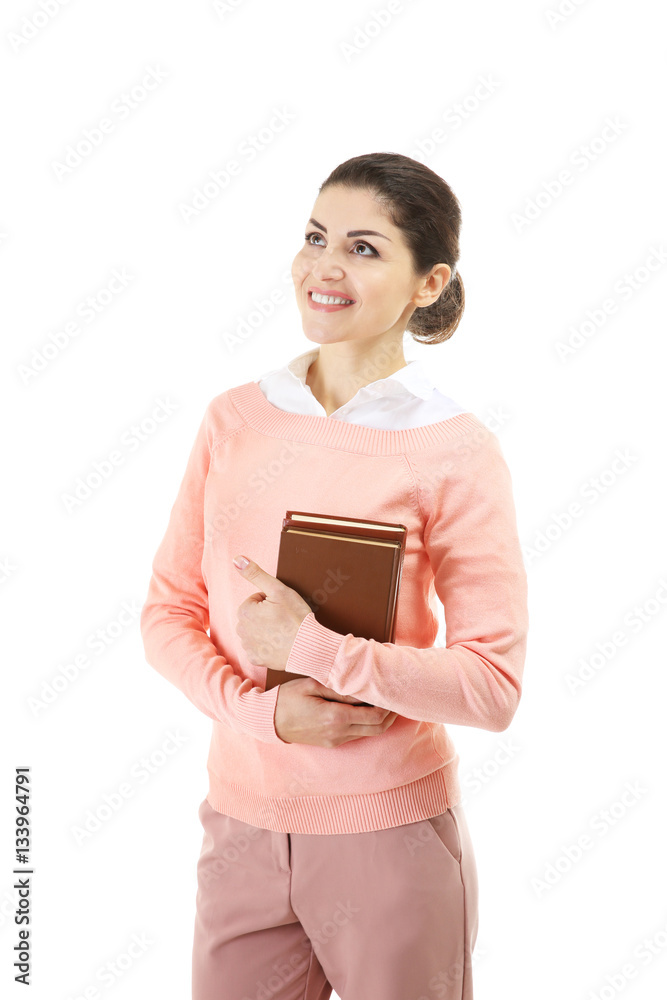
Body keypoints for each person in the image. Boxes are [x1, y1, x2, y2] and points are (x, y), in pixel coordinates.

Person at [140, 151, 529, 1000]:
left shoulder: (454, 452)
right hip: (238, 829)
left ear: (428, 284)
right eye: (316, 237)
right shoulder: (234, 419)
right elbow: (168, 613)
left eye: (363, 249)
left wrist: (314, 649)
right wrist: (262, 713)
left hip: (388, 841)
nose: (323, 266)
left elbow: (492, 688)